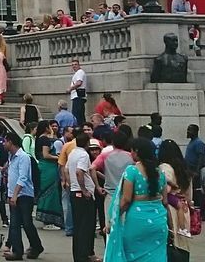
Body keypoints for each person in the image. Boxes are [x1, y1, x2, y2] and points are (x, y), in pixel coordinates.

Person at [104, 138, 168, 262]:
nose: (131, 153)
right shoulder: (160, 172)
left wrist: (114, 218)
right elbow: (165, 201)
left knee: (134, 257)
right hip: (159, 221)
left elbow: (126, 199)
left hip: (138, 222)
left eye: (132, 151)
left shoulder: (132, 171)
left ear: (137, 151)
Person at [5, 134, 44, 261]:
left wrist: (15, 195)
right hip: (13, 195)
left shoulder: (23, 157)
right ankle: (17, 251)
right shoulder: (11, 157)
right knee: (14, 224)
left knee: (27, 223)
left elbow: (23, 177)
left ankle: (36, 246)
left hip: (24, 195)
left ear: (11, 142)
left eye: (5, 141)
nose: (4, 144)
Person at [66, 132, 97, 262]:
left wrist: (70, 183)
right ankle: (84, 255)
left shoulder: (72, 153)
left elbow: (66, 169)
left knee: (78, 226)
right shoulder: (84, 155)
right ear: (87, 143)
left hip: (74, 191)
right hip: (82, 193)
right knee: (86, 225)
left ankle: (78, 256)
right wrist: (84, 190)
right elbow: (80, 172)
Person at [67, 59, 87, 123]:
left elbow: (79, 83)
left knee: (77, 116)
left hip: (78, 96)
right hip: (78, 96)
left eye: (75, 64)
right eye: (72, 65)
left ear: (79, 65)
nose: (74, 66)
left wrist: (70, 89)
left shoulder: (80, 72)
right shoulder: (77, 73)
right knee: (80, 115)